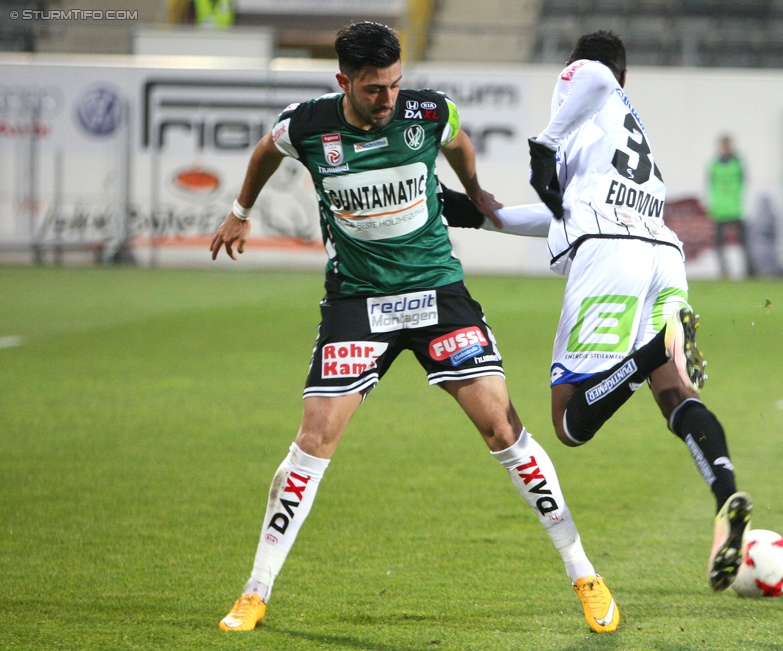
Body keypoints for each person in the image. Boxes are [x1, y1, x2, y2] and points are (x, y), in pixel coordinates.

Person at [209, 22, 618, 634]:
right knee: (313, 440)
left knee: (503, 429)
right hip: (357, 301)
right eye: (374, 89)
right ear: (343, 81)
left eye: (395, 84)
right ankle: (255, 590)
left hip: (437, 294)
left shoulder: (427, 113)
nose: (389, 99)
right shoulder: (309, 125)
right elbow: (267, 149)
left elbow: (457, 137)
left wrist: (474, 190)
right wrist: (240, 212)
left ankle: (584, 573)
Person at [443, 30, 753, 594]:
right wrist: (474, 212)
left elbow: (595, 73)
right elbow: (560, 214)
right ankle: (724, 492)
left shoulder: (586, 84)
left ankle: (656, 348)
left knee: (568, 422)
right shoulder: (620, 137)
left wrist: (543, 142)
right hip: (663, 252)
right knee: (676, 396)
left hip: (611, 255)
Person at [708, 135, 752, 279]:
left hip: (735, 208)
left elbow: (743, 183)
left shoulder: (737, 163)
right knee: (719, 244)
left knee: (744, 242)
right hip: (720, 209)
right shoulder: (714, 164)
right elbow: (710, 185)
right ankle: (724, 271)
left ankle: (749, 271)